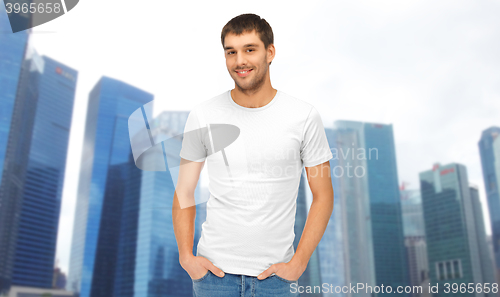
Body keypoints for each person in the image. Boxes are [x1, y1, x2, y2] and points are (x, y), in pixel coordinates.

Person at [172, 13, 334, 297]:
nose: (239, 61)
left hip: (276, 281)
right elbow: (184, 190)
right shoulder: (204, 114)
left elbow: (323, 194)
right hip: (213, 278)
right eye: (231, 52)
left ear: (270, 52)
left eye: (249, 49)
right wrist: (187, 258)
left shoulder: (304, 116)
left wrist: (298, 264)